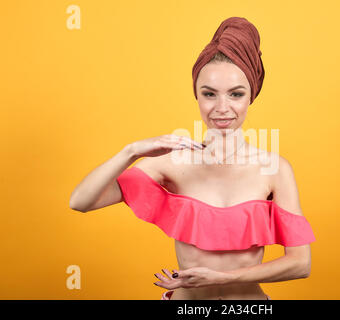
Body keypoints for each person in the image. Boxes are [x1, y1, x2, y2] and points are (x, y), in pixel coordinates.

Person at [69, 17, 315, 300]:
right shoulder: (171, 162)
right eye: (209, 94)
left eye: (236, 94)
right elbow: (80, 202)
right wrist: (131, 151)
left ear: (251, 96)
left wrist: (221, 278)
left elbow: (300, 263)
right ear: (197, 95)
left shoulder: (275, 169)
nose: (222, 108)